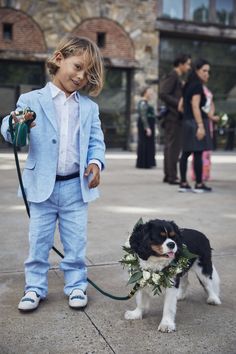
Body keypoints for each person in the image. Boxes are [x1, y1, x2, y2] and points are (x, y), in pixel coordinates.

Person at [1, 35, 106, 311]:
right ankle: (34, 287)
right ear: (59, 59)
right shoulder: (31, 99)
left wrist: (95, 162)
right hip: (41, 187)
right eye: (78, 66)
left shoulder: (89, 108)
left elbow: (96, 141)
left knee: (75, 243)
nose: (81, 76)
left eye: (88, 73)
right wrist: (15, 123)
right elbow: (10, 131)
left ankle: (76, 285)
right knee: (39, 241)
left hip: (75, 187)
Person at [179, 58, 213, 193]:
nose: (207, 74)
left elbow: (180, 106)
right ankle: (199, 184)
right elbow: (195, 105)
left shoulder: (187, 85)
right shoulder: (197, 86)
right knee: (198, 153)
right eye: (204, 70)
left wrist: (188, 117)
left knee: (185, 154)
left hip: (187, 122)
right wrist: (200, 125)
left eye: (208, 71)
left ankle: (183, 183)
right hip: (195, 122)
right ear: (197, 70)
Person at [159, 54, 191, 185]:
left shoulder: (177, 77)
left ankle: (169, 175)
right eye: (188, 64)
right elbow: (163, 93)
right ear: (181, 64)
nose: (189, 67)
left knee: (170, 147)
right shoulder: (173, 75)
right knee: (173, 148)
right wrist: (178, 103)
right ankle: (172, 176)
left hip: (173, 117)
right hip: (173, 117)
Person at [136, 87, 156, 169]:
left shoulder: (146, 102)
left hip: (149, 123)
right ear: (145, 92)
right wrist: (147, 127)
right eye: (149, 91)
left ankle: (148, 162)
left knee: (148, 143)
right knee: (144, 142)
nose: (151, 93)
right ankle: (143, 163)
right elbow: (143, 116)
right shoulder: (142, 103)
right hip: (145, 124)